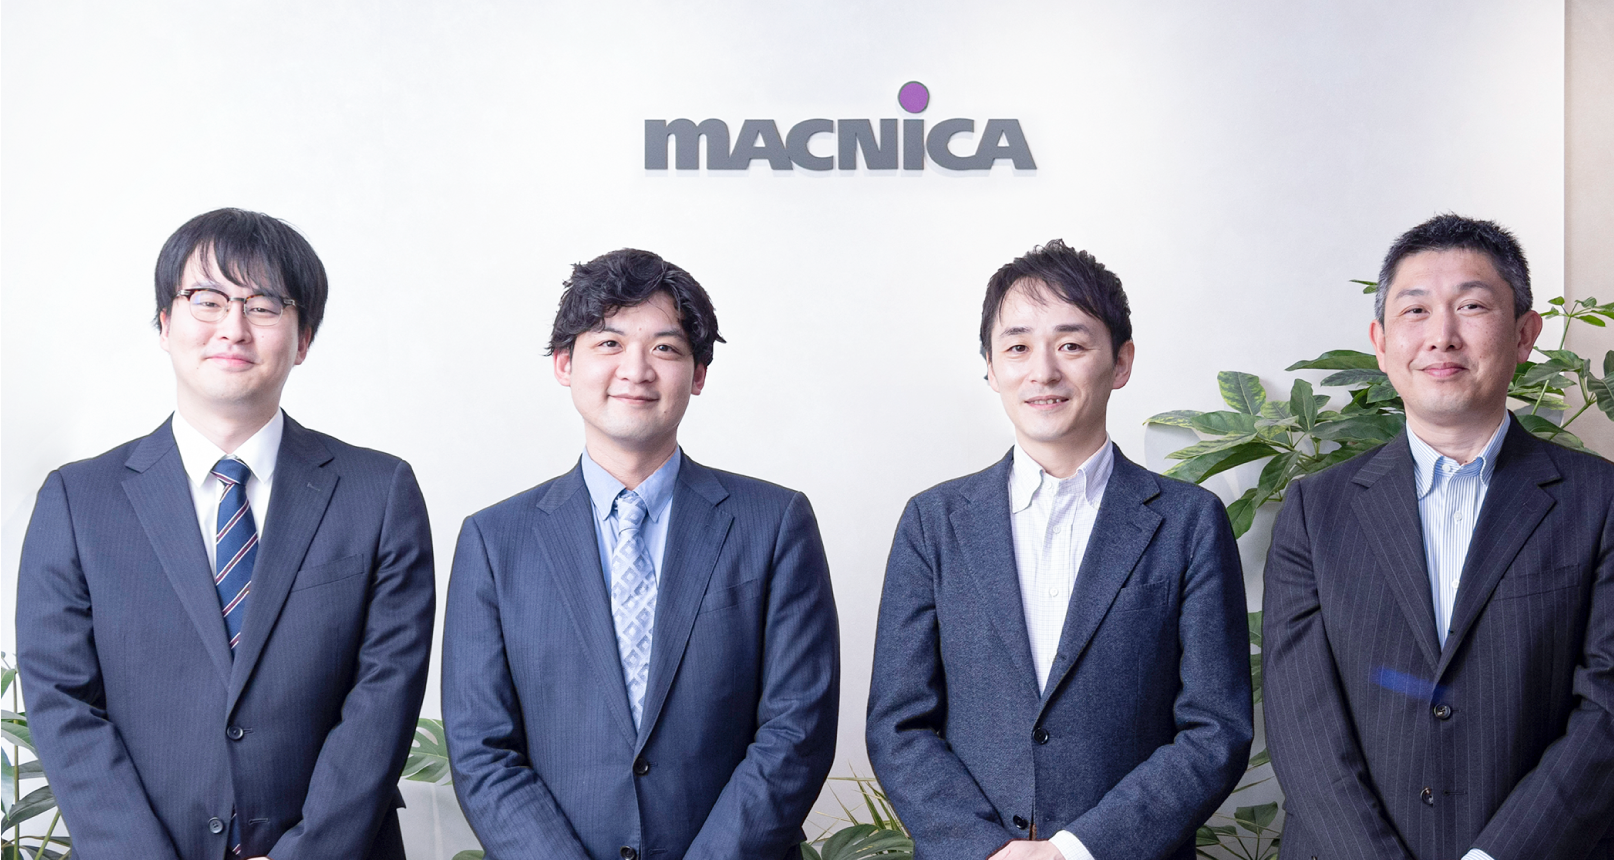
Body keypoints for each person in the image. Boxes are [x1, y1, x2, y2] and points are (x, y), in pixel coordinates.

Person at [15, 208, 435, 858]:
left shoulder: (379, 492)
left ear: (303, 338)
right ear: (165, 322)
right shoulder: (77, 500)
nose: (233, 328)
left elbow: (385, 695)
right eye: (207, 300)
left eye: (263, 307)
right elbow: (62, 700)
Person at [1262, 213, 1614, 859]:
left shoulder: (1606, 502)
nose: (1441, 336)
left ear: (1525, 334)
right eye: (1415, 310)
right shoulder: (1316, 509)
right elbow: (1299, 717)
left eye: (1472, 306)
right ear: (1380, 342)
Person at [442, 248, 840, 860]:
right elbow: (481, 748)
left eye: (665, 348)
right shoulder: (495, 541)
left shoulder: (775, 523)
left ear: (698, 374)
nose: (636, 369)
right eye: (609, 343)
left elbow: (798, 729)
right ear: (564, 364)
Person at [866, 240, 1253, 860]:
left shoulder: (1190, 522)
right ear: (990, 368)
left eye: (1071, 345)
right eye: (1017, 347)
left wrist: (1075, 850)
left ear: (1121, 362)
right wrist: (987, 848)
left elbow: (1215, 729)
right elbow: (898, 723)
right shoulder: (933, 523)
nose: (1042, 371)